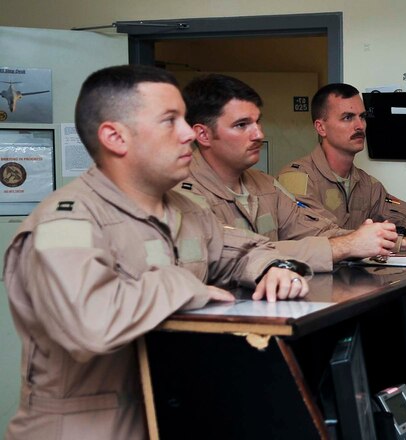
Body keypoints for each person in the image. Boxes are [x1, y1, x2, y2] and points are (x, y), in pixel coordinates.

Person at [3, 65, 311, 440]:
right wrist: (186, 286)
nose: (187, 134)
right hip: (90, 427)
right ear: (115, 137)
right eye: (170, 121)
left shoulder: (187, 210)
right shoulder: (64, 222)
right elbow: (90, 323)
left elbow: (242, 251)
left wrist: (273, 268)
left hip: (174, 413)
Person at [179, 74, 401, 272]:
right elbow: (234, 256)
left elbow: (315, 231)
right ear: (203, 135)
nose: (258, 134)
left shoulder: (265, 185)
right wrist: (348, 245)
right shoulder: (180, 194)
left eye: (257, 122)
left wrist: (373, 239)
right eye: (241, 125)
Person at [277, 83, 406, 254]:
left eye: (363, 117)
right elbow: (317, 236)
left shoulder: (368, 185)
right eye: (348, 117)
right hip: (309, 285)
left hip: (356, 284)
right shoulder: (296, 178)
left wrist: (400, 233)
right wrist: (400, 242)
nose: (360, 126)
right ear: (321, 127)